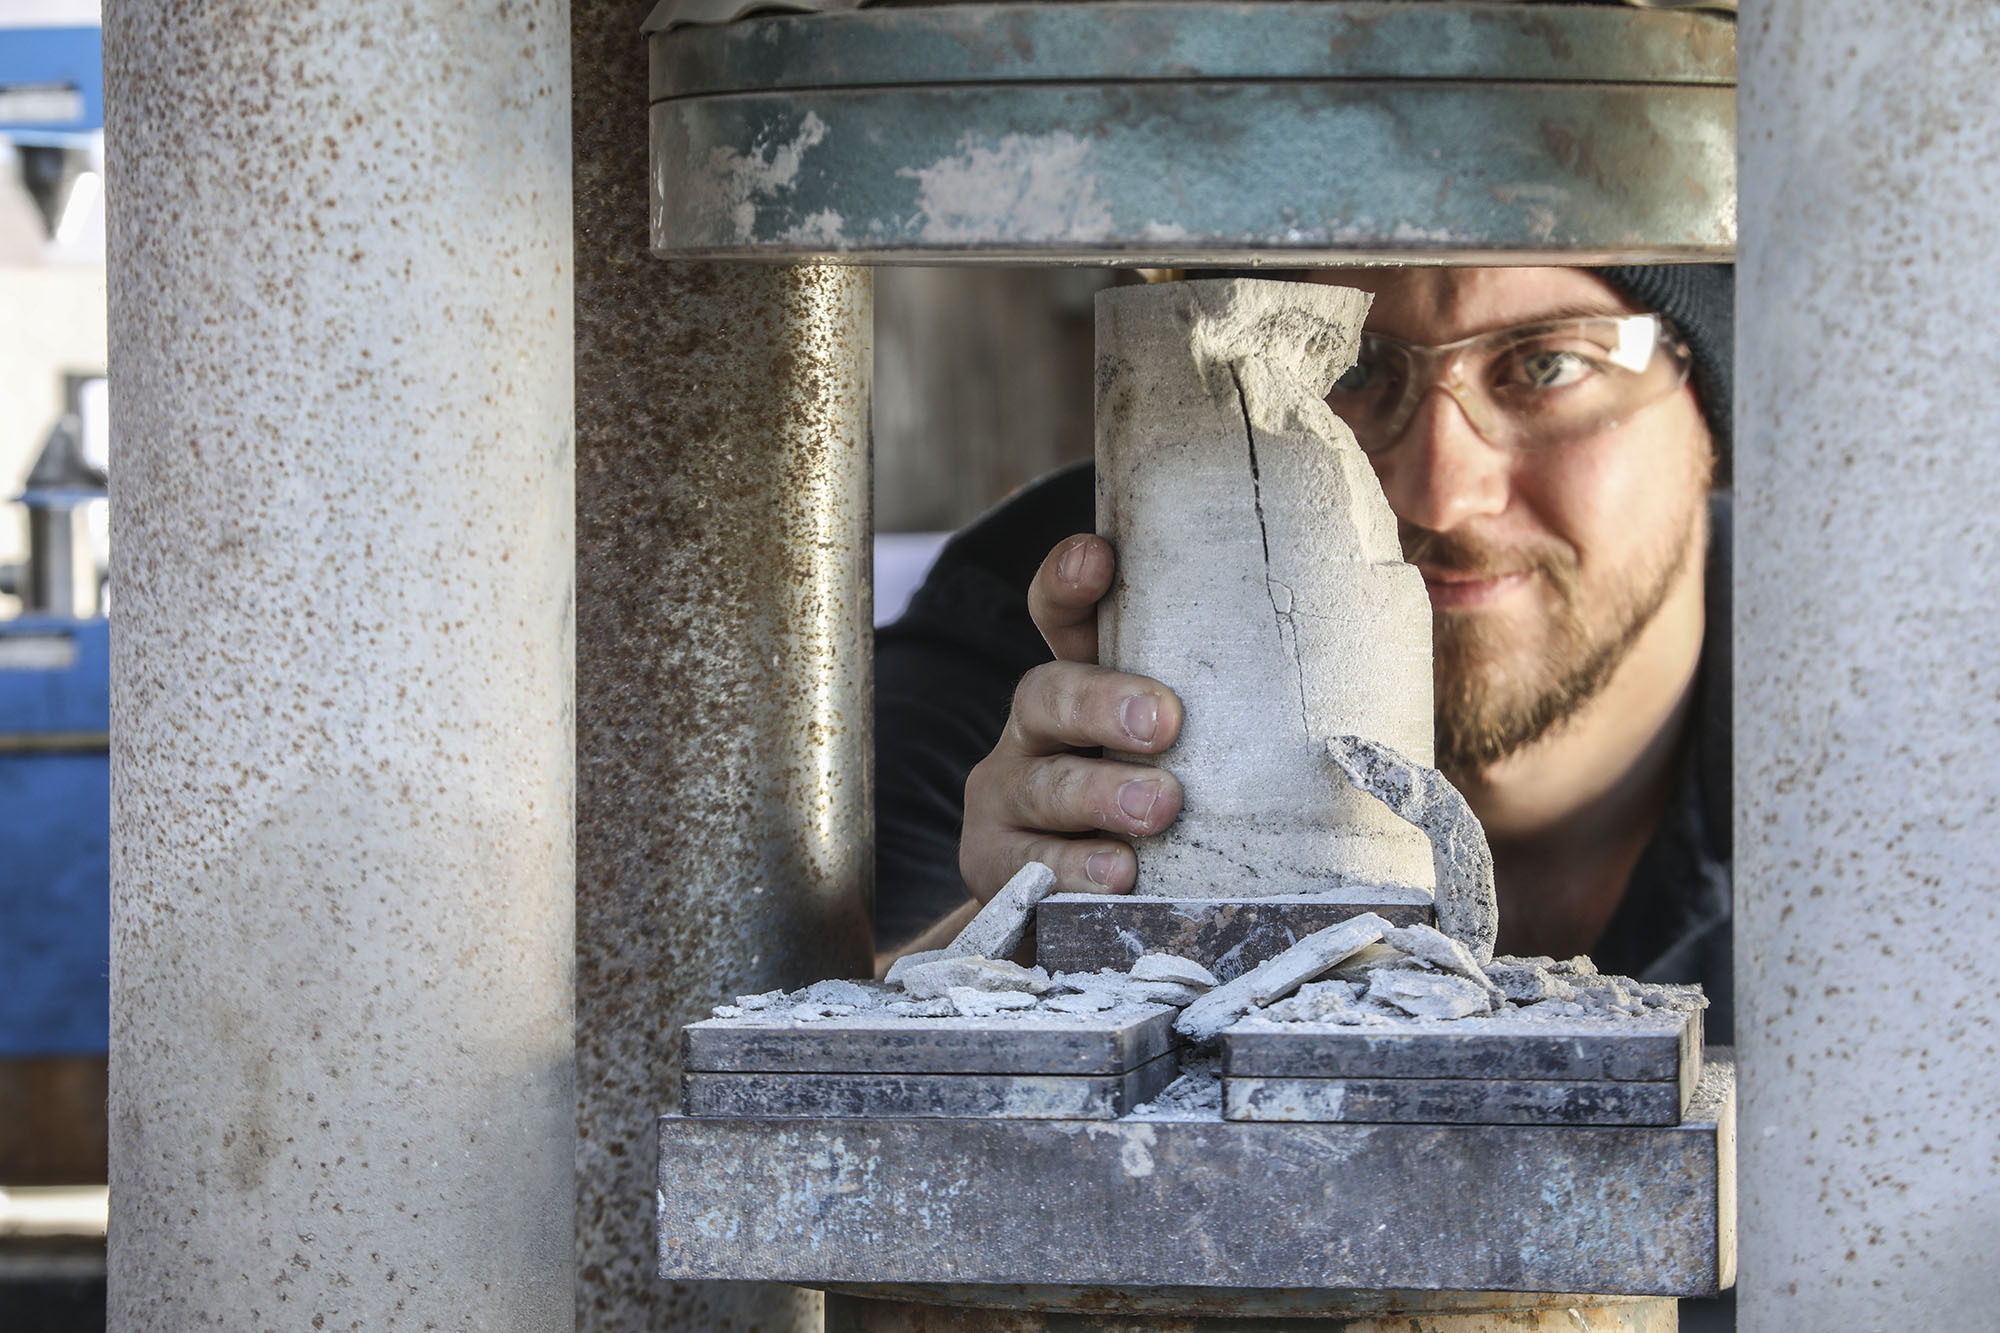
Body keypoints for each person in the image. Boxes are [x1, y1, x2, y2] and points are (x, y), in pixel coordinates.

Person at [874, 263, 1734, 1041]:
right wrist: (1010, 946)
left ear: (1716, 419)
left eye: (1550, 365)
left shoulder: (1844, 689)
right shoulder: (1047, 637)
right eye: (1344, 366)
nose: (1441, 493)